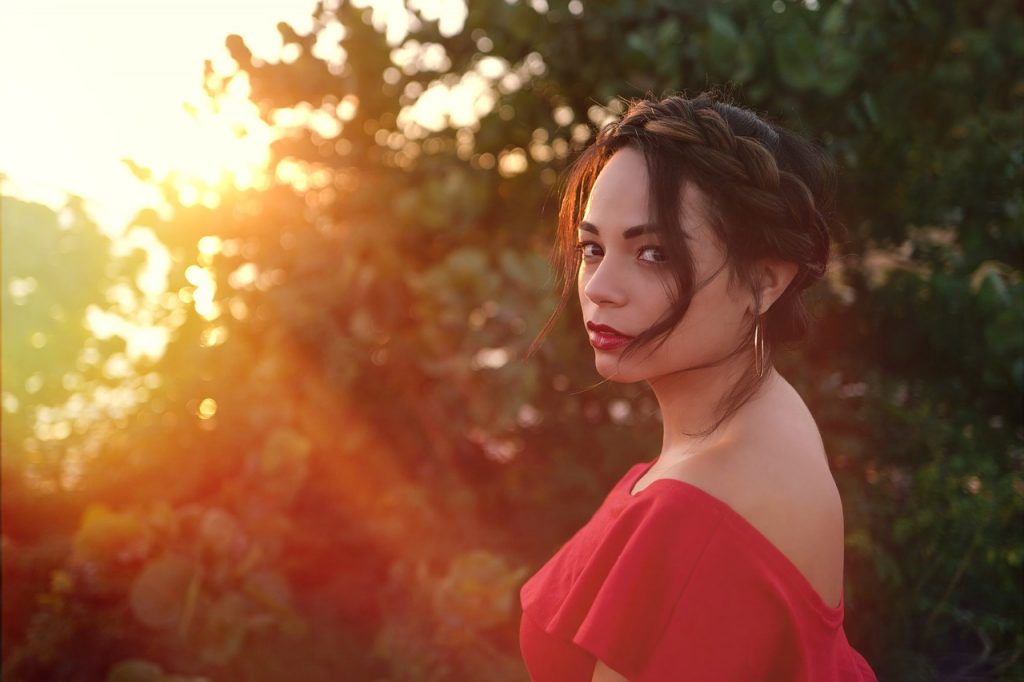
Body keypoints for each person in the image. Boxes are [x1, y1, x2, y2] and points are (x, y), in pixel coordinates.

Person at [518, 91, 879, 681]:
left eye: (654, 253)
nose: (600, 287)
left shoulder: (700, 513)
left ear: (764, 281)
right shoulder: (769, 416)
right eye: (593, 248)